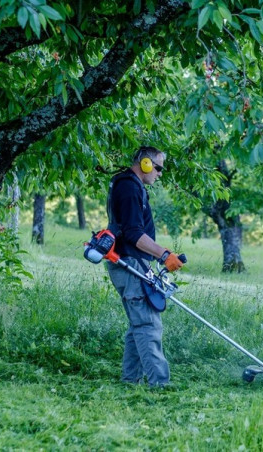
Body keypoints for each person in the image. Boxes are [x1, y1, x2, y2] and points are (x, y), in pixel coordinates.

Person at [106, 146, 183, 387]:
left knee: (138, 324)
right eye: (158, 168)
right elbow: (133, 233)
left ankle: (131, 380)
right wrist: (164, 254)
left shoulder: (131, 186)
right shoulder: (129, 187)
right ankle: (160, 384)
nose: (159, 173)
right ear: (146, 163)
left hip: (132, 261)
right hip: (129, 262)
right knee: (148, 324)